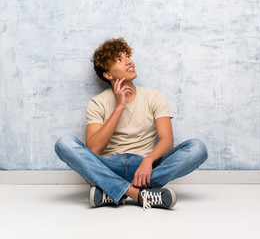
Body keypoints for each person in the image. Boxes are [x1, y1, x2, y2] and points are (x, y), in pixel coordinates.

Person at [54, 37, 208, 210]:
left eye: (127, 56)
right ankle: (137, 194)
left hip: (145, 168)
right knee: (64, 143)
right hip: (109, 166)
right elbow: (94, 150)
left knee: (197, 148)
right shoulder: (97, 103)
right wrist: (119, 107)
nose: (129, 61)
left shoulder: (154, 97)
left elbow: (167, 140)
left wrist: (148, 161)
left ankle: (110, 191)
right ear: (108, 75)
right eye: (119, 60)